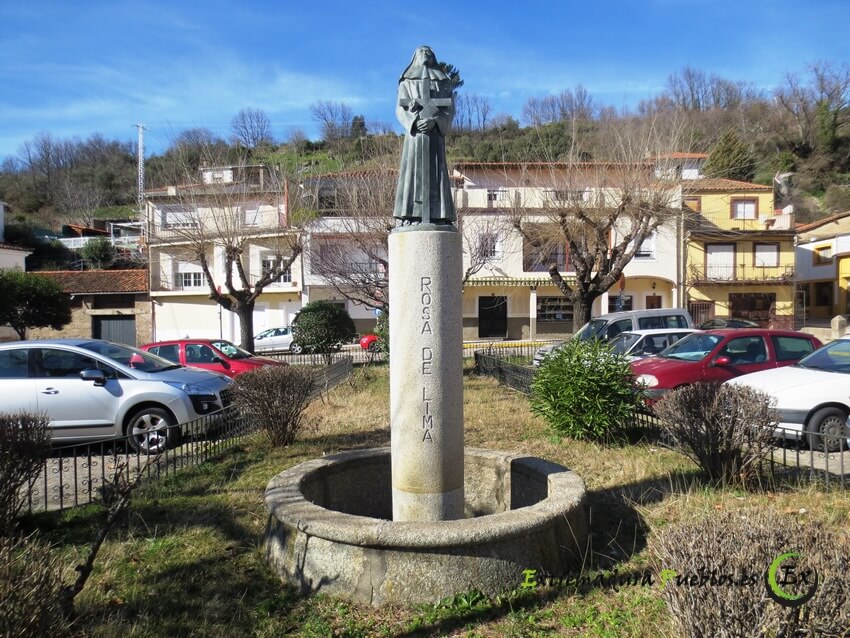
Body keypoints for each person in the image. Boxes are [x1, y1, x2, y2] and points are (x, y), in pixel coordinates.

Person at [394, 46, 456, 224]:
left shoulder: (443, 83)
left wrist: (434, 121)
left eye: (428, 51)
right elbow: (400, 109)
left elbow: (449, 109)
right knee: (412, 173)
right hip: (415, 137)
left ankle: (440, 216)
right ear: (414, 57)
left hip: (435, 136)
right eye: (421, 51)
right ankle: (410, 215)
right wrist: (414, 121)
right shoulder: (406, 83)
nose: (425, 53)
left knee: (438, 173)